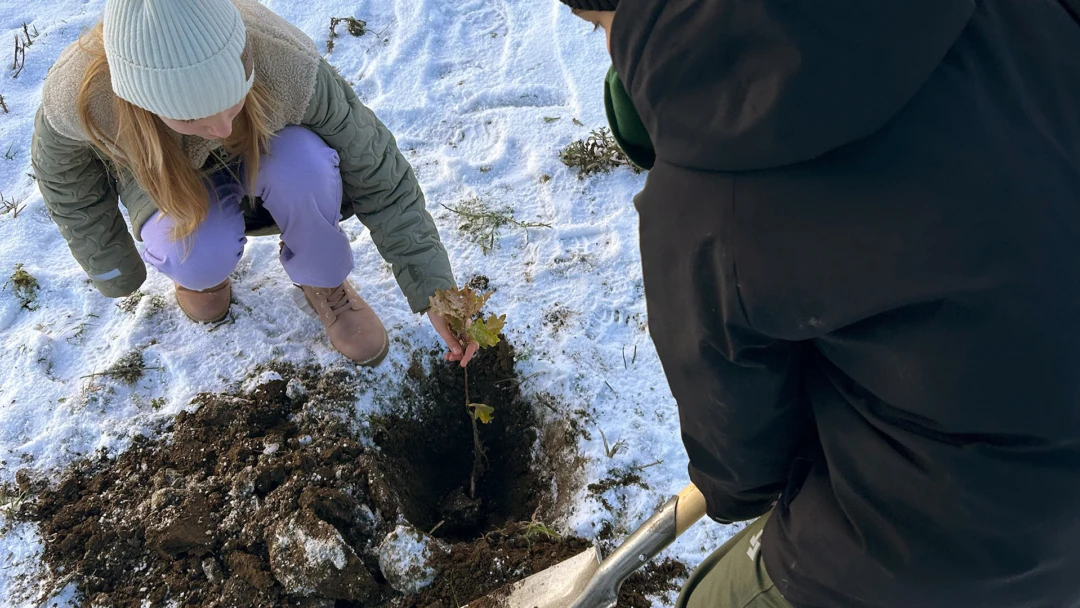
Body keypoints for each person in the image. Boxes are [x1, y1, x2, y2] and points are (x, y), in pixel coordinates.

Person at [563, 1, 1080, 607]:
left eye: (600, 28)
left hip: (956, 547)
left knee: (708, 600)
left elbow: (744, 469)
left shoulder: (703, 204)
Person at [31, 0, 476, 367]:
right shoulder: (80, 96)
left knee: (305, 169)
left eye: (232, 101)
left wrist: (437, 292)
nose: (222, 129)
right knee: (193, 252)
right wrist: (116, 271)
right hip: (163, 175)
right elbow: (68, 184)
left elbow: (380, 173)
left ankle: (323, 280)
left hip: (271, 154)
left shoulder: (285, 64)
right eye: (192, 117)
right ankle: (201, 279)